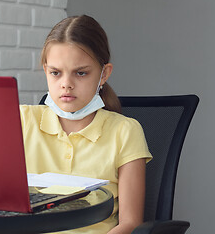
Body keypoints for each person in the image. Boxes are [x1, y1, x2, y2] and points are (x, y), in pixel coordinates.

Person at [20, 15, 152, 234]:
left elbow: (130, 223)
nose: (66, 84)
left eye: (81, 73)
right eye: (55, 73)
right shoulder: (21, 120)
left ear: (103, 74)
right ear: (45, 71)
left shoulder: (125, 131)